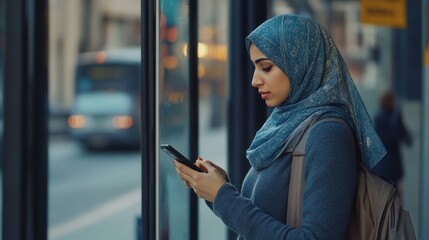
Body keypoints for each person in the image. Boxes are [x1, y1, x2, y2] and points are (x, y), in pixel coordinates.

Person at [174, 14, 386, 239]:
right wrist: (217, 189)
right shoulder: (287, 122)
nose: (255, 80)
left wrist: (223, 197)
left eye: (266, 67)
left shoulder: (328, 134)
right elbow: (264, 218)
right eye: (255, 68)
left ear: (301, 63)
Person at [373, 90, 412, 186]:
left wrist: (399, 122)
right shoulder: (380, 118)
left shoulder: (394, 117)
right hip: (385, 166)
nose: (394, 103)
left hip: (393, 166)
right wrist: (395, 122)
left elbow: (408, 140)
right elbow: (389, 138)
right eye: (392, 100)